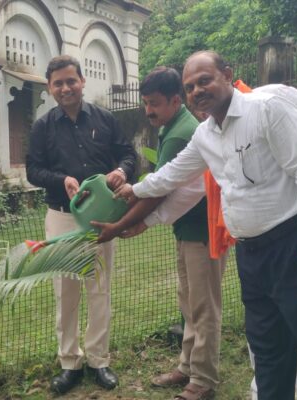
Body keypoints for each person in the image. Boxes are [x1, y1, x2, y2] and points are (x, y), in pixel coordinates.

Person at [115, 51, 297, 399]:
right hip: (251, 254)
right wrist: (134, 190)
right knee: (268, 351)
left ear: (228, 75)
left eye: (204, 81)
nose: (197, 91)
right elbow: (172, 174)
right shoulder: (205, 134)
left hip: (295, 245)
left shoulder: (266, 109)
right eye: (190, 87)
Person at [93, 67, 225, 400]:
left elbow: (158, 190)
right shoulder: (175, 126)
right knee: (190, 302)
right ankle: (187, 367)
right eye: (146, 103)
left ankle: (203, 379)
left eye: (154, 103)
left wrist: (121, 225)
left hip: (203, 230)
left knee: (204, 306)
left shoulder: (181, 133)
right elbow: (163, 185)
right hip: (188, 227)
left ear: (174, 101)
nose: (148, 111)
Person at [25, 55, 136, 394]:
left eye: (71, 81)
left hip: (101, 215)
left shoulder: (104, 119)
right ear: (50, 88)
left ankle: (99, 360)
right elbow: (33, 171)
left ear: (82, 81)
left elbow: (128, 154)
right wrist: (62, 180)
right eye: (58, 83)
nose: (65, 88)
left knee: (99, 288)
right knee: (66, 291)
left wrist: (122, 171)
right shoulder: (43, 127)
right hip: (62, 215)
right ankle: (69, 362)